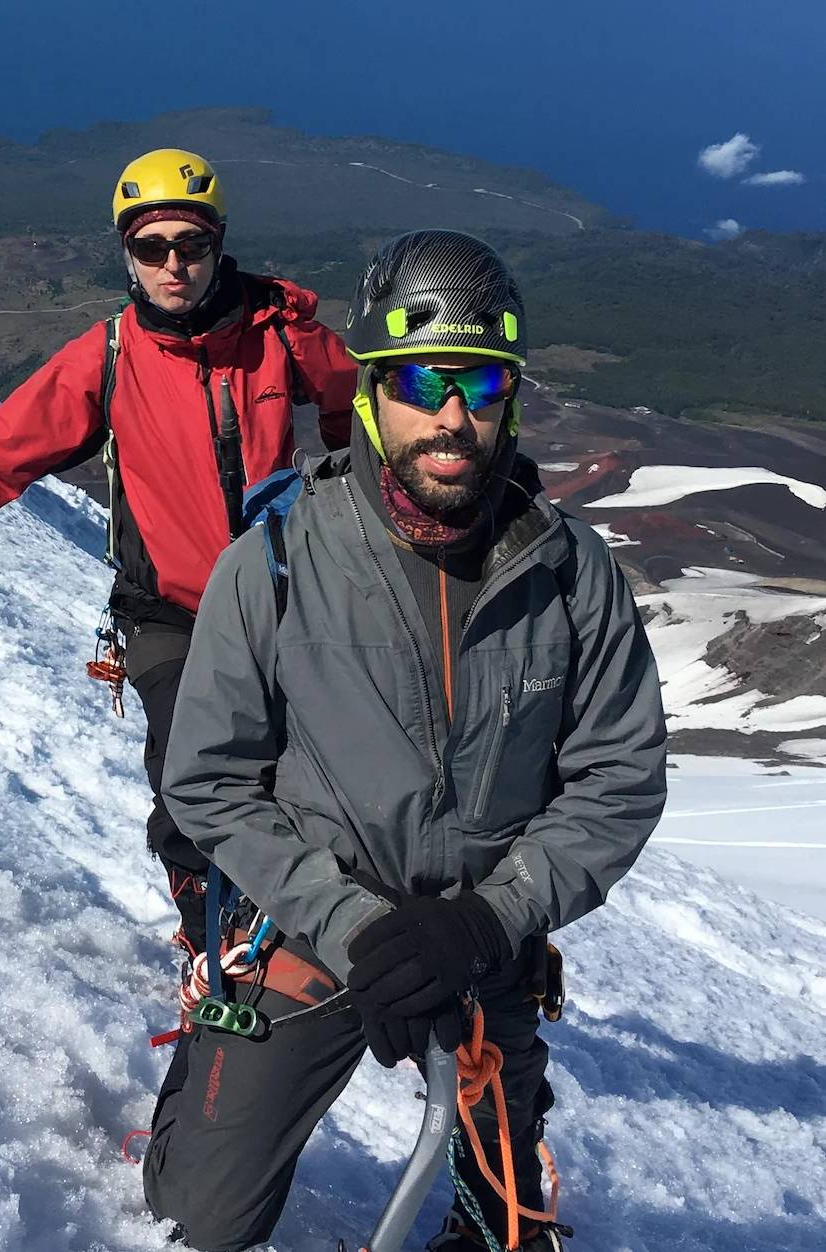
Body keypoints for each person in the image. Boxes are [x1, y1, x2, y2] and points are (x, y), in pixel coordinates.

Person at [144, 229, 667, 1252]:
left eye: (476, 380)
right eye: (420, 379)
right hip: (309, 929)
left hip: (482, 942)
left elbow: (616, 777)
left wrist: (487, 919)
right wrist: (351, 925)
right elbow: (206, 782)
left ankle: (497, 1160)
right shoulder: (278, 565)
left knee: (507, 1232)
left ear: (508, 393)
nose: (450, 415)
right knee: (191, 1220)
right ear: (373, 390)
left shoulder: (571, 575)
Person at [0, 149, 358, 949]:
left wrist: (368, 491)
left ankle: (320, 922)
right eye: (152, 248)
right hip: (168, 614)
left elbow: (368, 413)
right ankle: (208, 936)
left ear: (219, 244)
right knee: (193, 772)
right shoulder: (107, 360)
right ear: (128, 255)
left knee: (324, 770)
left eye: (191, 244)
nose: (173, 265)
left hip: (279, 603)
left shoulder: (279, 336)